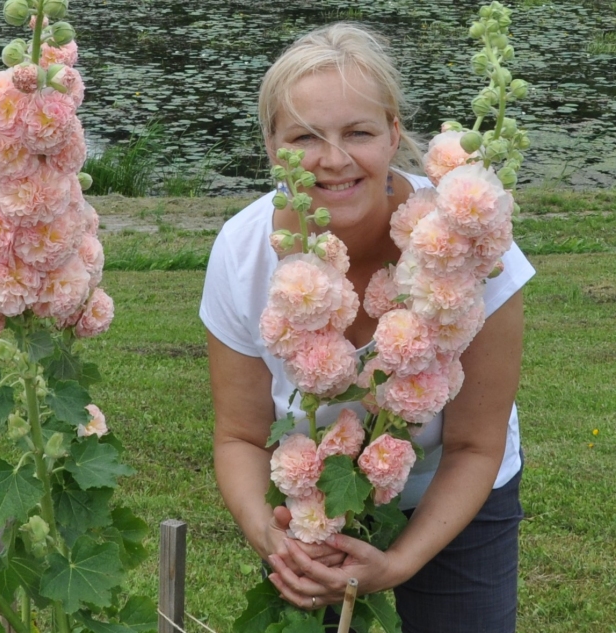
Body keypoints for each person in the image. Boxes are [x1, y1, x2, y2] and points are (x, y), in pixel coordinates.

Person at [199, 23, 534, 633]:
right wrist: (276, 541)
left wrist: (398, 563)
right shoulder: (243, 252)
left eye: (359, 132)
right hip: (316, 510)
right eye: (304, 135)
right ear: (272, 146)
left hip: (453, 493)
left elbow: (475, 446)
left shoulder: (470, 243)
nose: (334, 159)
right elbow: (241, 436)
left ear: (393, 134)